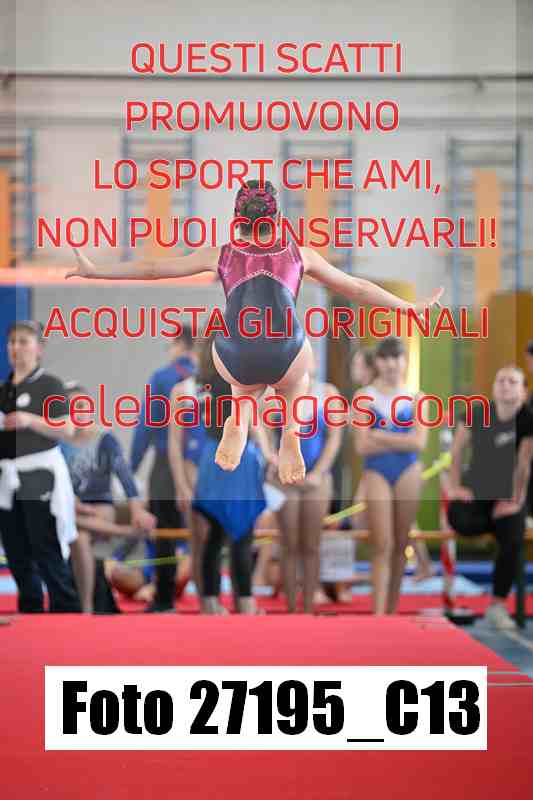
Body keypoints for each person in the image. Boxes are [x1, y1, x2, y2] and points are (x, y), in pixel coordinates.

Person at [67, 180, 443, 487]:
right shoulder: (300, 254)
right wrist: (408, 307)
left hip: (234, 355)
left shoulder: (221, 253)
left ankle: (238, 415)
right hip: (285, 352)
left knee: (243, 375)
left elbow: (153, 269)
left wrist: (96, 271)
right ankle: (291, 432)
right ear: (278, 219)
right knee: (300, 379)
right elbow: (357, 288)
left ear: (237, 220)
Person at [0, 321, 80, 613]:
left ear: (39, 349)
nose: (16, 348)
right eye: (12, 342)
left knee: (45, 546)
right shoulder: (4, 389)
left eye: (23, 341)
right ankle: (30, 608)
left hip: (40, 475)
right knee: (15, 549)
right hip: (7, 478)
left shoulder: (50, 385)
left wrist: (30, 420)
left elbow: (67, 429)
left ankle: (65, 607)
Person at [447, 366, 533, 631]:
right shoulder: (477, 413)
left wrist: (514, 500)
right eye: (501, 380)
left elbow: (524, 464)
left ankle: (497, 604)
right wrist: (454, 487)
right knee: (458, 516)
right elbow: (456, 451)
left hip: (508, 494)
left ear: (523, 391)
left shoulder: (528, 419)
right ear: (494, 387)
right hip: (477, 494)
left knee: (513, 531)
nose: (505, 385)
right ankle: (498, 522)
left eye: (512, 381)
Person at [61, 385, 155, 612]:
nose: (77, 412)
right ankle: (86, 606)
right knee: (79, 538)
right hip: (72, 508)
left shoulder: (104, 438)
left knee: (78, 534)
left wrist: (137, 510)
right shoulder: (60, 442)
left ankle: (85, 606)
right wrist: (74, 503)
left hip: (100, 506)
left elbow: (125, 477)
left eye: (81, 406)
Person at [353, 337, 428, 615]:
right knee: (382, 543)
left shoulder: (417, 398)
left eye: (396, 358)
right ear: (377, 362)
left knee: (401, 542)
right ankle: (378, 614)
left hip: (408, 470)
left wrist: (379, 435)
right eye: (385, 359)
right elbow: (362, 446)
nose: (391, 365)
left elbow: (419, 443)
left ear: (405, 362)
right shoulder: (364, 397)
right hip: (377, 472)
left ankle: (392, 610)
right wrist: (400, 439)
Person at [192, 347, 269, 615]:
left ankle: (214, 599)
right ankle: (241, 598)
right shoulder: (232, 376)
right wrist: (267, 452)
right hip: (231, 454)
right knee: (237, 532)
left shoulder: (202, 379)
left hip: (219, 454)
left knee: (219, 533)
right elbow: (250, 419)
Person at [129, 328, 198, 612]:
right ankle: (210, 596)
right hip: (204, 462)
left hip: (167, 463)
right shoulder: (212, 379)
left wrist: (131, 468)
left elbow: (147, 425)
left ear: (181, 344)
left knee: (166, 530)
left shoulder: (163, 377)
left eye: (169, 346)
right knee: (207, 529)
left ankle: (164, 597)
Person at [271, 354, 343, 613]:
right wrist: (273, 459)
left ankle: (309, 607)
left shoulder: (328, 393)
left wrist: (319, 473)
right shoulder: (276, 394)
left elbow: (334, 438)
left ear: (315, 364)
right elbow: (261, 428)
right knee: (289, 544)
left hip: (317, 477)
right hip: (286, 476)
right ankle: (292, 608)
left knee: (312, 544)